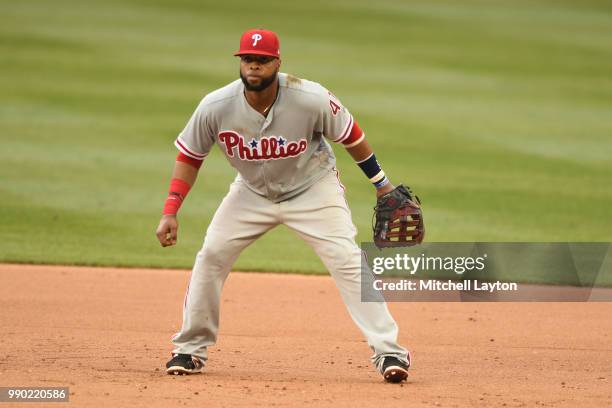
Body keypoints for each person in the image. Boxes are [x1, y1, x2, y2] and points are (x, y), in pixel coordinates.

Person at [156, 29, 411, 383]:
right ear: (240, 62)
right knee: (212, 254)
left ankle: (390, 352)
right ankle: (190, 348)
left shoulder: (311, 98)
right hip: (250, 193)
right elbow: (190, 154)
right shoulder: (215, 105)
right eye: (248, 59)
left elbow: (352, 136)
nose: (254, 66)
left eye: (262, 60)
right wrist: (171, 209)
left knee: (348, 261)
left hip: (313, 189)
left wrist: (382, 185)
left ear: (278, 62)